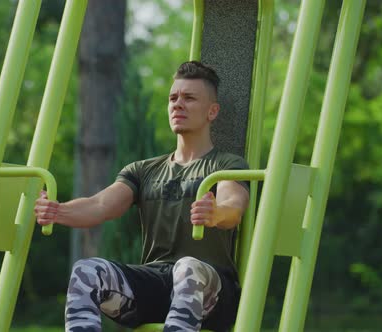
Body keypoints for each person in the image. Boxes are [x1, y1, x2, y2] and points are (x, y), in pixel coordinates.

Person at [34, 61, 250, 332]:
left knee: (187, 268)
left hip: (212, 293)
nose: (177, 104)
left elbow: (233, 206)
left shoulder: (227, 165)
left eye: (189, 98)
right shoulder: (143, 170)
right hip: (157, 284)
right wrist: (58, 211)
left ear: (212, 111)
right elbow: (101, 205)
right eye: (173, 98)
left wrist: (216, 213)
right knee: (86, 271)